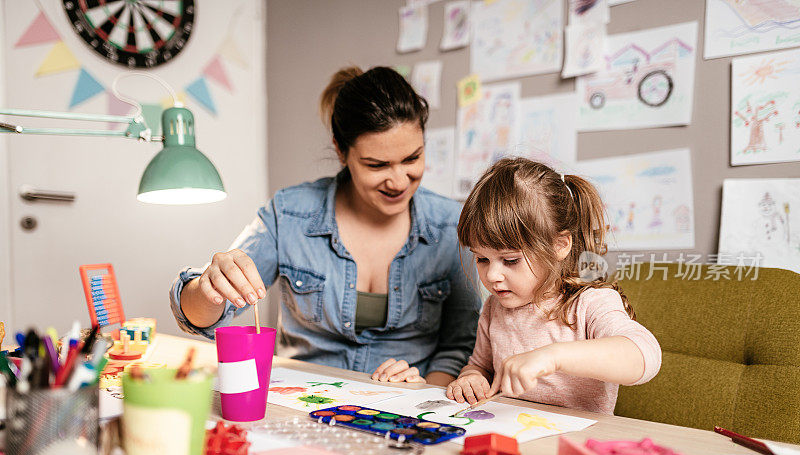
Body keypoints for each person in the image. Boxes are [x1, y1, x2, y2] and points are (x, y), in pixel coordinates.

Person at [170, 66, 481, 386]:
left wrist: (422, 394)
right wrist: (209, 289)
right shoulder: (290, 213)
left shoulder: (451, 225)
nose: (399, 181)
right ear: (340, 151)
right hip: (304, 403)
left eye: (412, 159)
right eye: (377, 165)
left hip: (407, 412)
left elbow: (460, 345)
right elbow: (198, 319)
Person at [445, 158, 661, 414]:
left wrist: (553, 357)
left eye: (510, 260)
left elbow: (645, 355)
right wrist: (472, 378)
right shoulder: (495, 307)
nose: (492, 275)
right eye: (482, 258)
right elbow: (479, 366)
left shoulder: (591, 302)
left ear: (559, 245)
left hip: (577, 443)